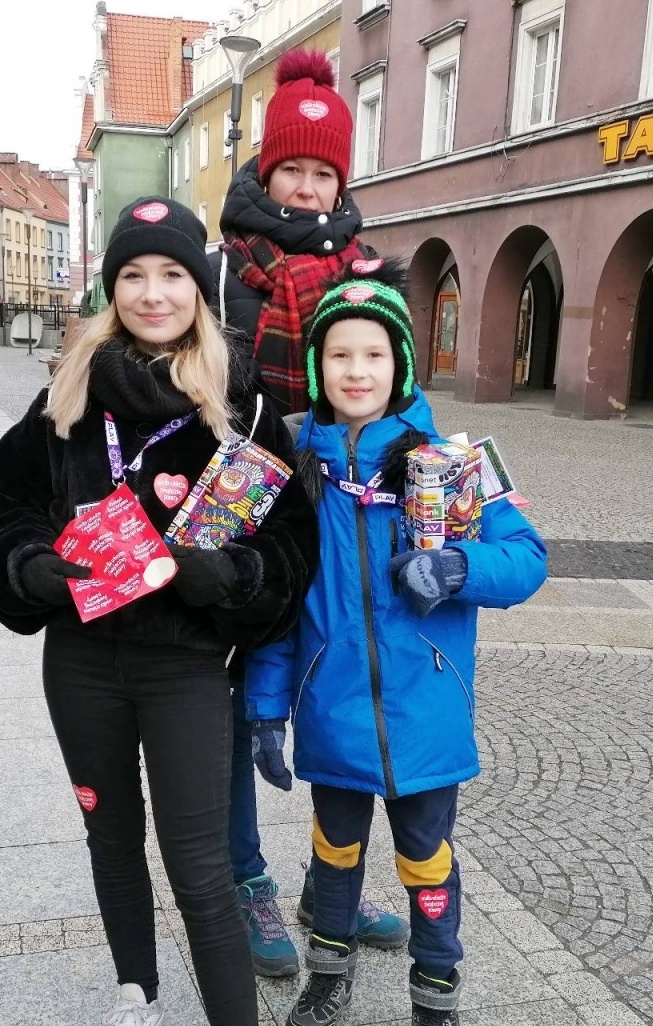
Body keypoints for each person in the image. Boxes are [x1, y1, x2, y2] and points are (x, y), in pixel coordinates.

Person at [0, 196, 317, 1026]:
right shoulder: (66, 400)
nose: (153, 293)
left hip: (180, 670)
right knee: (108, 838)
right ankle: (136, 994)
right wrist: (32, 568)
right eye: (134, 276)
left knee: (202, 871)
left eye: (170, 275)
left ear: (195, 291)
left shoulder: (245, 409)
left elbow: (288, 548)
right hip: (81, 661)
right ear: (111, 291)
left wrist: (227, 579)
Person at [245, 267, 548, 1026]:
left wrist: (458, 566)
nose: (355, 370)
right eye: (337, 354)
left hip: (426, 715)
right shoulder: (295, 472)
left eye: (373, 353)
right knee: (333, 854)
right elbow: (278, 606)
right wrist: (268, 707)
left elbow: (529, 560)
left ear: (401, 363)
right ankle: (328, 972)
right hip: (333, 712)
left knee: (426, 859)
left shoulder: (453, 464)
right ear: (317, 369)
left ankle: (435, 1001)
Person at [208, 47, 407, 976]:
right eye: (291, 167)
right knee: (228, 702)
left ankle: (329, 886)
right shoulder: (220, 273)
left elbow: (392, 386)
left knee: (338, 687)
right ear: (263, 169)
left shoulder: (371, 269)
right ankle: (248, 880)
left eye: (323, 171)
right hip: (242, 506)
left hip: (337, 510)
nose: (305, 185)